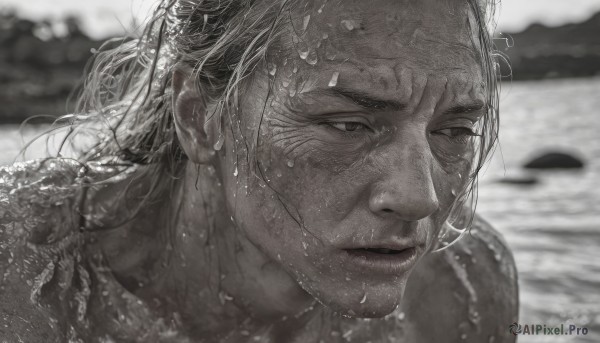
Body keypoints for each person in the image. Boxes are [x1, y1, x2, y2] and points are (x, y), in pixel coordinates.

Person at [0, 0, 518, 341]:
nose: (419, 197)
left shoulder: (461, 288)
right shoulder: (24, 281)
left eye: (453, 131)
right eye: (348, 124)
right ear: (199, 116)